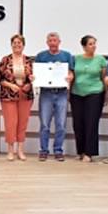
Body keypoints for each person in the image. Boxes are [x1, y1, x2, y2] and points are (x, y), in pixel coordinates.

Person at [32, 32, 75, 161]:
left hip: (61, 93)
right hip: (46, 93)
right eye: (50, 41)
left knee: (61, 124)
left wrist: (70, 77)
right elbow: (36, 73)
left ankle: (58, 150)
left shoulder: (66, 55)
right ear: (47, 43)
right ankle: (44, 150)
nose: (52, 43)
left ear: (59, 42)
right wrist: (34, 78)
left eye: (54, 40)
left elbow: (71, 73)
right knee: (45, 124)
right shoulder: (41, 56)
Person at [70, 35, 107, 163]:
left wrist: (106, 95)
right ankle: (80, 151)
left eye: (94, 43)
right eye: (90, 44)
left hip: (94, 93)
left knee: (91, 123)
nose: (93, 46)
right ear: (84, 46)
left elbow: (104, 78)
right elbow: (73, 75)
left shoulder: (100, 59)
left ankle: (89, 153)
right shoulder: (77, 59)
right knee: (78, 123)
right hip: (77, 93)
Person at [0, 34, 33, 162]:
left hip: (25, 95)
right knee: (11, 123)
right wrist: (10, 85)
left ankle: (20, 150)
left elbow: (34, 78)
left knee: (22, 123)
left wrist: (30, 84)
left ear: (23, 45)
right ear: (11, 45)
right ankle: (10, 150)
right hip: (8, 95)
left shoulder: (29, 61)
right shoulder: (5, 60)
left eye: (19, 43)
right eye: (14, 43)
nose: (17, 45)